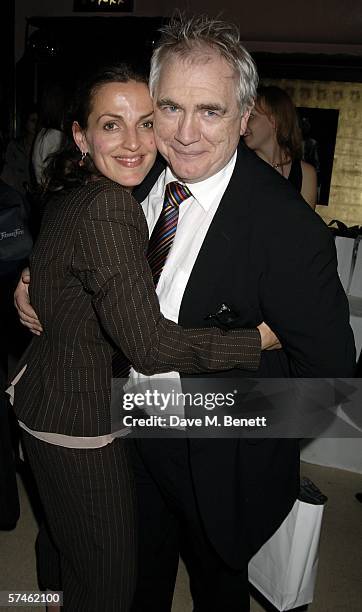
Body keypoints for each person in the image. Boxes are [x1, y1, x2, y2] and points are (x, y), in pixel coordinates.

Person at [15, 16, 355, 611]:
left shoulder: (288, 230)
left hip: (215, 459)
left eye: (212, 112)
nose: (186, 133)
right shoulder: (135, 176)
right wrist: (35, 283)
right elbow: (89, 261)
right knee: (130, 583)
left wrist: (190, 413)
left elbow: (329, 383)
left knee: (216, 592)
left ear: (245, 116)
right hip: (117, 432)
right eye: (169, 108)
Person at [244, 85, 318, 209]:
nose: (243, 123)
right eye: (243, 117)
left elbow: (305, 226)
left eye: (251, 116)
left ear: (274, 120)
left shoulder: (305, 173)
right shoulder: (239, 166)